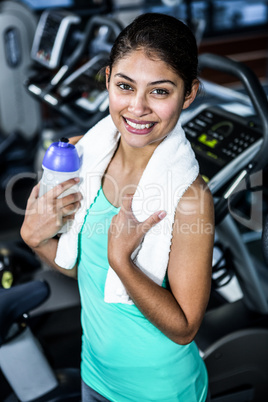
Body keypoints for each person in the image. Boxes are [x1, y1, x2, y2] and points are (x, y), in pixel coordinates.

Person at [21, 13, 214, 402]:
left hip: (159, 391)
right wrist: (34, 238)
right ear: (108, 78)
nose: (137, 108)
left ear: (189, 93)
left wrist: (121, 260)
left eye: (160, 91)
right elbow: (87, 272)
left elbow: (184, 328)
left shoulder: (190, 198)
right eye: (125, 86)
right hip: (94, 375)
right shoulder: (84, 155)